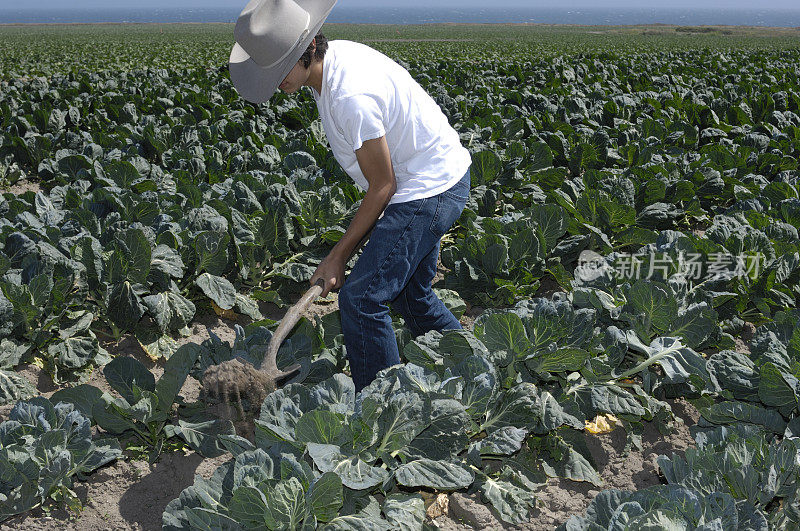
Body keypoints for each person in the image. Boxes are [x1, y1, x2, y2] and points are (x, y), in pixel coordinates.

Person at [229, 0, 471, 392]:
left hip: (428, 190)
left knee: (361, 299)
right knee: (410, 295)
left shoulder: (348, 97)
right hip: (429, 178)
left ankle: (380, 409)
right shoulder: (331, 62)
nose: (275, 84)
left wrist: (337, 256)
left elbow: (383, 185)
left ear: (307, 50)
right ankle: (473, 367)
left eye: (277, 71)